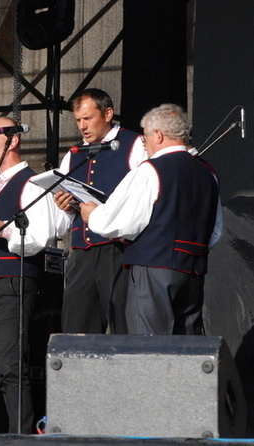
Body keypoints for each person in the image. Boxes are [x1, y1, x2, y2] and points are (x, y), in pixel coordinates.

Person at [79, 104, 222, 335]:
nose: (144, 143)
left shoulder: (150, 170)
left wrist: (92, 215)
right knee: (188, 345)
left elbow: (119, 222)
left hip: (154, 267)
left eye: (145, 137)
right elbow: (215, 231)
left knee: (149, 344)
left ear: (159, 135)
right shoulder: (208, 172)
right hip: (193, 271)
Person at [0, 117, 63, 434]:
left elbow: (41, 235)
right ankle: (5, 429)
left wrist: (5, 230)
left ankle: (22, 434)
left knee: (12, 365)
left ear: (11, 141)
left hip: (15, 281)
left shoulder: (31, 183)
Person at [53, 88, 146, 334]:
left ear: (108, 114)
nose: (82, 126)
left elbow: (144, 198)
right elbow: (65, 215)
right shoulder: (73, 155)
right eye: (78, 120)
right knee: (77, 325)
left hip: (118, 249)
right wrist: (65, 205)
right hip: (82, 251)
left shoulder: (134, 144)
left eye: (88, 118)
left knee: (122, 322)